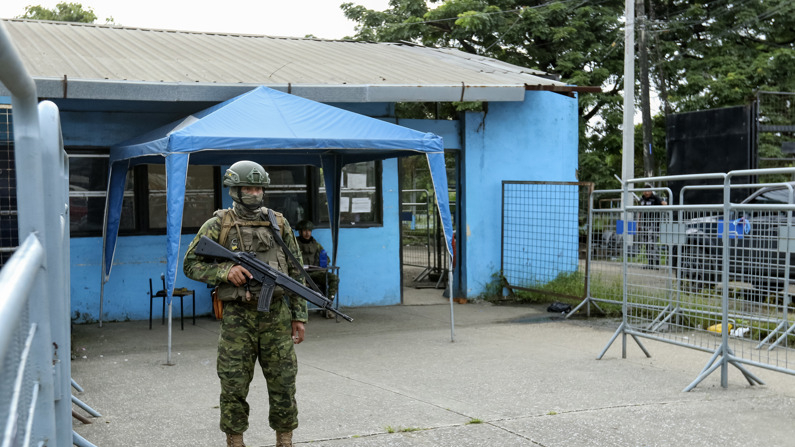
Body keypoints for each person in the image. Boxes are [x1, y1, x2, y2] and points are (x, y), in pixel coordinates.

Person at [183, 160, 307, 447]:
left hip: (276, 316)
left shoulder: (279, 223)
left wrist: (299, 316)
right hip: (238, 319)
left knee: (284, 384)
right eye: (248, 188)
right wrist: (225, 271)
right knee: (233, 385)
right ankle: (235, 440)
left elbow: (296, 271)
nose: (254, 193)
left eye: (258, 187)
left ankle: (285, 440)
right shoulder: (217, 225)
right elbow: (191, 264)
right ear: (234, 190)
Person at [295, 219, 339, 319]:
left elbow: (326, 259)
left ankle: (328, 306)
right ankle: (298, 313)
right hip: (300, 274)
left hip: (315, 273)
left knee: (334, 278)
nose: (307, 233)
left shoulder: (316, 244)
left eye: (309, 231)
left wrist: (321, 264)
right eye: (305, 230)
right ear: (300, 232)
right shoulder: (295, 244)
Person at [638, 183, 667, 269]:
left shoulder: (655, 198)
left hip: (653, 224)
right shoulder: (642, 200)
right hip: (644, 224)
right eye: (645, 191)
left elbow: (664, 204)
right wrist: (638, 223)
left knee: (653, 243)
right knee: (647, 243)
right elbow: (640, 212)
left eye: (648, 191)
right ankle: (650, 263)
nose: (646, 193)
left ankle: (657, 263)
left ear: (651, 191)